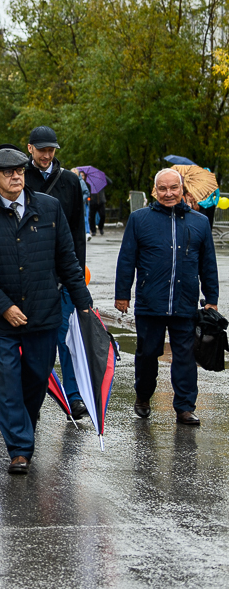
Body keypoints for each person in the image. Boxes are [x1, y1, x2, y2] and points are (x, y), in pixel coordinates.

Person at [0, 147, 93, 475]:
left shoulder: (49, 207)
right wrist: (4, 306)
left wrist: (84, 304)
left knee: (36, 378)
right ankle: (19, 449)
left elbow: (67, 259)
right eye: (8, 172)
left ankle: (26, 423)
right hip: (1, 320)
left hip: (44, 312)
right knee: (9, 382)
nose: (16, 176)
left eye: (20, 170)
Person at [115, 168, 219, 425]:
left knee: (185, 357)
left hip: (185, 302)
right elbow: (127, 259)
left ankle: (185, 407)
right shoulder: (139, 219)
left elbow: (208, 264)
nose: (168, 193)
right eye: (162, 188)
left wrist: (211, 298)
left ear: (182, 189)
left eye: (174, 188)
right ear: (155, 191)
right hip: (150, 301)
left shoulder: (199, 222)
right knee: (148, 354)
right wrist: (122, 294)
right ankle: (143, 396)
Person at [23, 125, 89, 418]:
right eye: (42, 150)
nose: (47, 155)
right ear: (30, 149)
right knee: (34, 341)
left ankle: (74, 396)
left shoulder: (70, 181)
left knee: (67, 337)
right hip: (29, 272)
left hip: (62, 274)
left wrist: (76, 276)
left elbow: (77, 232)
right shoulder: (20, 177)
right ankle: (33, 395)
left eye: (51, 150)